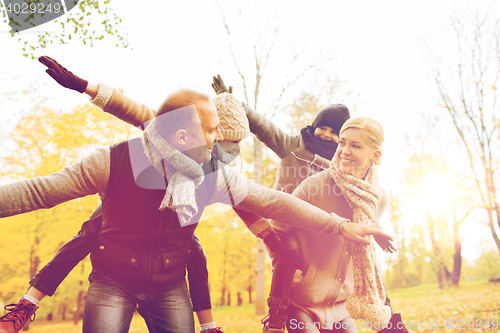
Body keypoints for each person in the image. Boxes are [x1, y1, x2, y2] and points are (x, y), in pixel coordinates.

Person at [0, 73, 393, 332]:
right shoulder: (119, 158)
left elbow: (271, 201)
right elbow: (38, 191)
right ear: (184, 136)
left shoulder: (216, 173)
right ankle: (31, 300)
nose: (221, 139)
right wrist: (92, 89)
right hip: (114, 275)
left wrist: (339, 226)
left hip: (167, 283)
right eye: (214, 131)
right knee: (91, 229)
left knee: (195, 252)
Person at [210, 76, 397, 332]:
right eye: (325, 129)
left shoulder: (356, 176)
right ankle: (277, 312)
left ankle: (386, 315)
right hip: (286, 223)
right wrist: (233, 104)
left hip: (327, 250)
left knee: (363, 257)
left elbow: (363, 226)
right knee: (288, 251)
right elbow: (262, 126)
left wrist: (376, 230)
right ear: (313, 125)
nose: (329, 137)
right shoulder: (294, 148)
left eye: (337, 134)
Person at [271, 117, 408, 332]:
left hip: (341, 306)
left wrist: (377, 231)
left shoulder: (378, 196)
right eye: (342, 142)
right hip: (303, 302)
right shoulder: (313, 186)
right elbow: (278, 227)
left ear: (376, 155)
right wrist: (290, 267)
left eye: (355, 145)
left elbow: (367, 228)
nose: (344, 151)